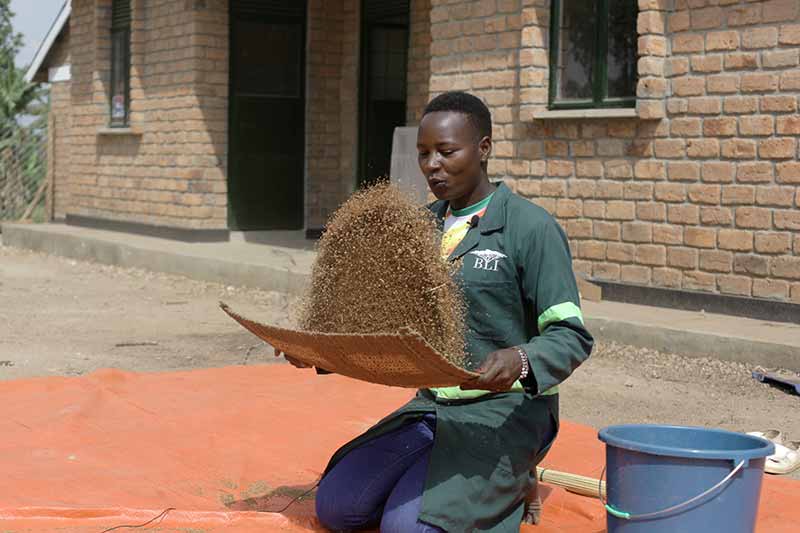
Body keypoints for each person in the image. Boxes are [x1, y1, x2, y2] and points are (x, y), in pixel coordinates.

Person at [283, 91, 593, 532]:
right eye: (424, 153)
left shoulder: (530, 228)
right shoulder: (417, 229)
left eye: (447, 151)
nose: (432, 165)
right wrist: (321, 353)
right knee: (337, 507)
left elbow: (571, 336)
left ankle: (514, 480)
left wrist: (519, 359)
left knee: (405, 528)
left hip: (503, 413)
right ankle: (451, 477)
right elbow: (381, 326)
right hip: (432, 407)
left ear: (483, 148)